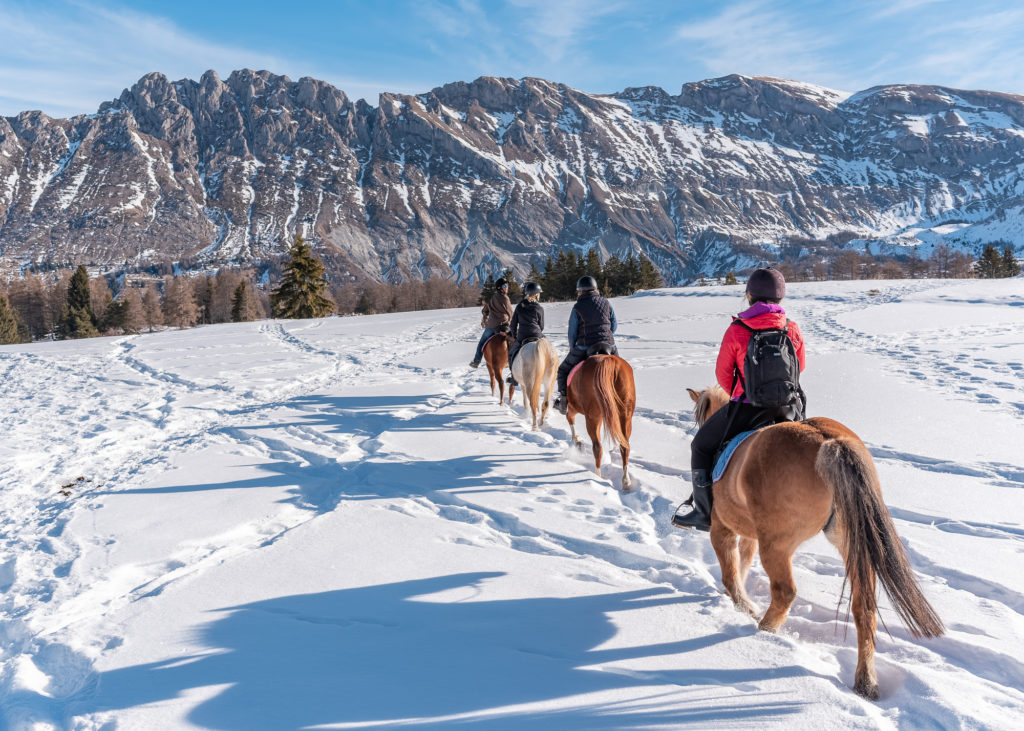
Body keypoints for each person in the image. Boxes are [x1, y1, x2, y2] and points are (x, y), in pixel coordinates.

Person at [672, 267, 806, 531]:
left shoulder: (738, 329)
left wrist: (743, 392)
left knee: (700, 446)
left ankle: (702, 511)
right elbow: (798, 368)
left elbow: (723, 375)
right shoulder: (792, 328)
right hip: (789, 410)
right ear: (780, 298)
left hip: (747, 410)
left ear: (750, 296)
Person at [552, 275, 617, 414]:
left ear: (580, 291)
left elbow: (572, 333)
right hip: (608, 344)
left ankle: (563, 401)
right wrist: (607, 336)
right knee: (620, 368)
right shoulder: (606, 302)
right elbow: (614, 324)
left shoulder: (577, 307)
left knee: (563, 370)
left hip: (586, 345)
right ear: (595, 289)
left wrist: (572, 348)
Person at [505, 281, 545, 387]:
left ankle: (514, 377)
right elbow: (542, 326)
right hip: (537, 335)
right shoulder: (539, 308)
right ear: (537, 294)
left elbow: (513, 325)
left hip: (523, 337)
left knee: (511, 354)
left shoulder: (519, 306)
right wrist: (537, 333)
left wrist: (515, 335)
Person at [470, 277, 514, 368]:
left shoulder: (494, 297)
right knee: (513, 341)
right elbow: (510, 313)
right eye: (504, 286)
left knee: (482, 343)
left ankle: (476, 361)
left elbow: (485, 309)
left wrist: (485, 314)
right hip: (502, 326)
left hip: (490, 326)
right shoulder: (505, 298)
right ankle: (511, 361)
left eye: (507, 285)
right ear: (499, 288)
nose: (507, 287)